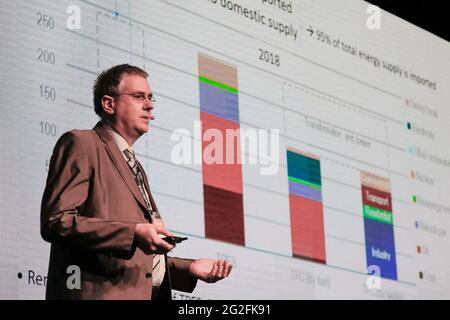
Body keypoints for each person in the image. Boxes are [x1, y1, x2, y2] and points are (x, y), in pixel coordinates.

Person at [40, 64, 232, 300]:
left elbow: (137, 261)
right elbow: (58, 222)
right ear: (109, 104)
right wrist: (134, 231)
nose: (149, 105)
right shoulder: (82, 143)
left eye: (151, 97)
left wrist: (188, 268)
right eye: (138, 96)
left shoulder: (134, 165)